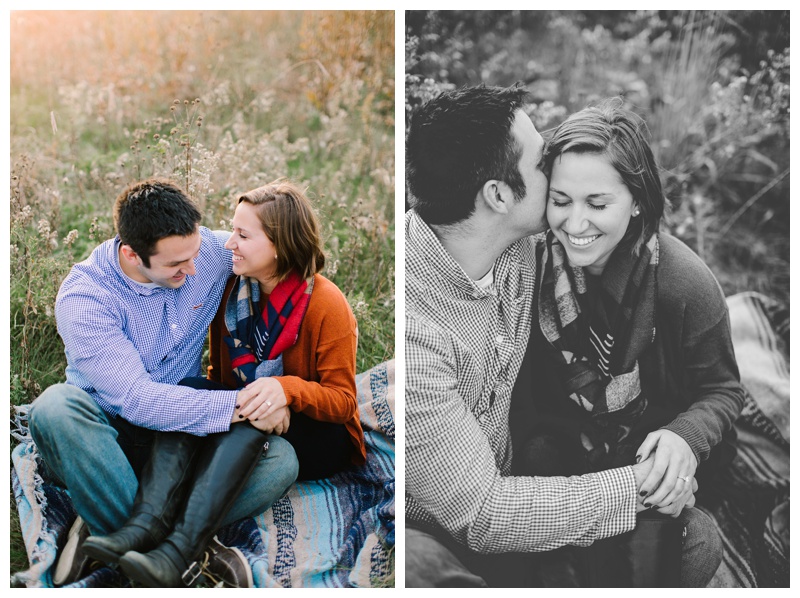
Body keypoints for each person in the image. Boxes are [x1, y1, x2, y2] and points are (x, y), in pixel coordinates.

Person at [404, 85, 690, 588]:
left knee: (692, 546)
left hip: (522, 482)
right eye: (541, 157)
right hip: (434, 523)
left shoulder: (516, 244)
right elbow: (484, 515)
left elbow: (603, 207)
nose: (554, 158)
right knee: (424, 570)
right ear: (497, 195)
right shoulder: (417, 335)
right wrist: (644, 487)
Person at [510, 98, 744, 586]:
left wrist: (685, 438)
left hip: (651, 463)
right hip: (571, 452)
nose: (574, 224)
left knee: (696, 548)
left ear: (637, 200)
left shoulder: (685, 286)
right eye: (560, 200)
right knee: (534, 462)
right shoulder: (528, 267)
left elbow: (724, 392)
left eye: (597, 204)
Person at [28, 179, 298, 587]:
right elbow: (138, 400)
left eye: (194, 256)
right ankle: (177, 549)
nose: (192, 270)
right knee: (54, 407)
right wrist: (249, 405)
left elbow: (272, 254)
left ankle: (123, 535)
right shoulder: (85, 298)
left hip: (178, 442)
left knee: (280, 460)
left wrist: (281, 390)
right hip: (107, 440)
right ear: (132, 254)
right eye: (176, 266)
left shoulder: (203, 252)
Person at [109, 179, 365, 587]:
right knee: (192, 390)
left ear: (279, 245)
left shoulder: (325, 303)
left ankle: (176, 548)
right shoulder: (230, 289)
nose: (229, 243)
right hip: (250, 408)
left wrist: (286, 391)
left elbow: (343, 403)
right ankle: (146, 521)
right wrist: (252, 402)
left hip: (317, 433)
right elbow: (219, 379)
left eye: (243, 235)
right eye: (232, 230)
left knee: (246, 411)